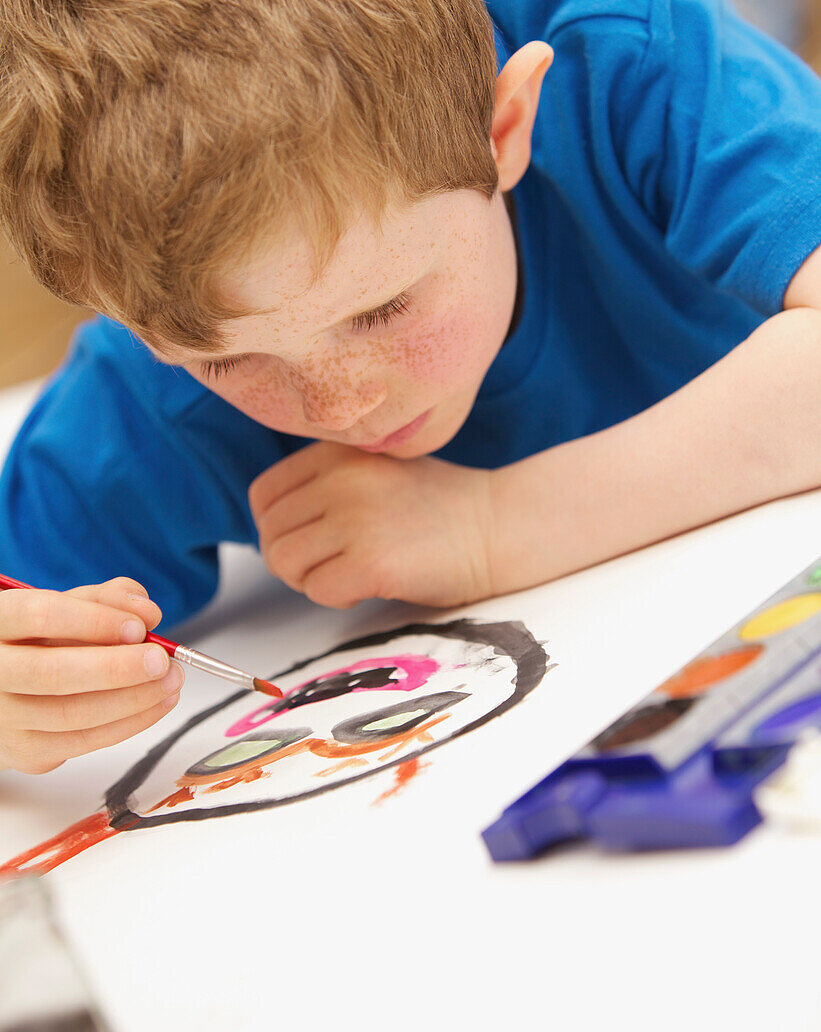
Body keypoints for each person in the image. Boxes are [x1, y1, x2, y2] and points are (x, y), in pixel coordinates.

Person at [1, 0, 820, 775]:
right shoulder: (150, 380)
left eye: (383, 307)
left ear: (503, 130)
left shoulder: (620, 57)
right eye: (227, 362)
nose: (339, 405)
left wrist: (493, 529)